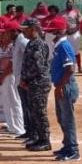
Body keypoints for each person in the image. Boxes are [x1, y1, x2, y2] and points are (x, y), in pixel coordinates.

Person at [50, 20, 81, 161]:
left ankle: (73, 150)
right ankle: (67, 146)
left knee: (67, 119)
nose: (50, 33)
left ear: (58, 31)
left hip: (66, 85)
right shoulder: (58, 46)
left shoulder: (63, 46)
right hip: (61, 85)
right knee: (61, 117)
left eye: (53, 30)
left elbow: (70, 69)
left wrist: (60, 87)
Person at [19, 19, 52, 152]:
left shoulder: (39, 44)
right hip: (32, 83)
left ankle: (45, 141)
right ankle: (39, 137)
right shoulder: (30, 44)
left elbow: (39, 67)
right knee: (34, 112)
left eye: (25, 29)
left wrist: (26, 78)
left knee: (40, 112)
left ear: (33, 28)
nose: (23, 31)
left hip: (39, 83)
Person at [0, 21, 26, 137]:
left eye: (6, 32)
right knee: (7, 101)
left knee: (15, 101)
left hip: (12, 76)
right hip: (7, 75)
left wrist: (2, 75)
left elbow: (14, 63)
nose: (4, 35)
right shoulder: (15, 43)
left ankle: (19, 128)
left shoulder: (21, 42)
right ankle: (12, 127)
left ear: (13, 31)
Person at [61, 0, 82, 74]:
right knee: (65, 50)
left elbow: (80, 23)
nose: (69, 4)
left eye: (71, 2)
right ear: (66, 3)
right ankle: (67, 67)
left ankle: (79, 67)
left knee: (76, 51)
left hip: (74, 33)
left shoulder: (77, 12)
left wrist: (74, 30)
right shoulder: (62, 13)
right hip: (65, 33)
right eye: (68, 2)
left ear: (73, 4)